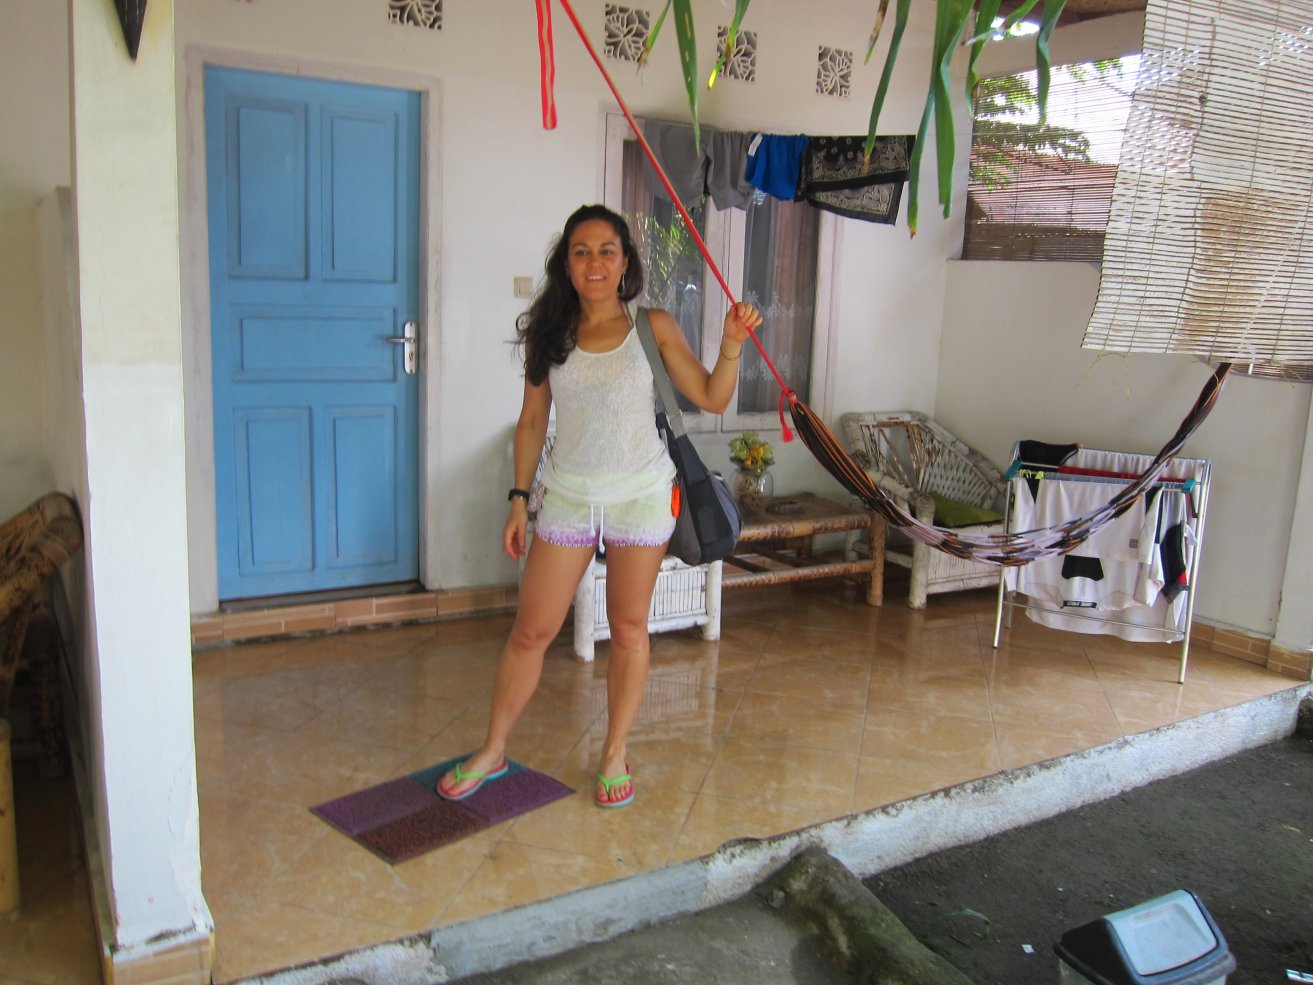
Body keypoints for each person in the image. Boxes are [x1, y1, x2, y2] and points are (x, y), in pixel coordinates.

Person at [437, 204, 762, 809]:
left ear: (625, 262)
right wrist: (518, 499)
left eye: (606, 251)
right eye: (581, 251)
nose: (594, 262)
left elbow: (713, 397)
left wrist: (731, 345)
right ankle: (493, 749)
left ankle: (614, 752)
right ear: (566, 263)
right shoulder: (550, 334)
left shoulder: (652, 326)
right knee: (531, 630)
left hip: (642, 498)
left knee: (630, 629)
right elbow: (532, 420)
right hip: (567, 497)